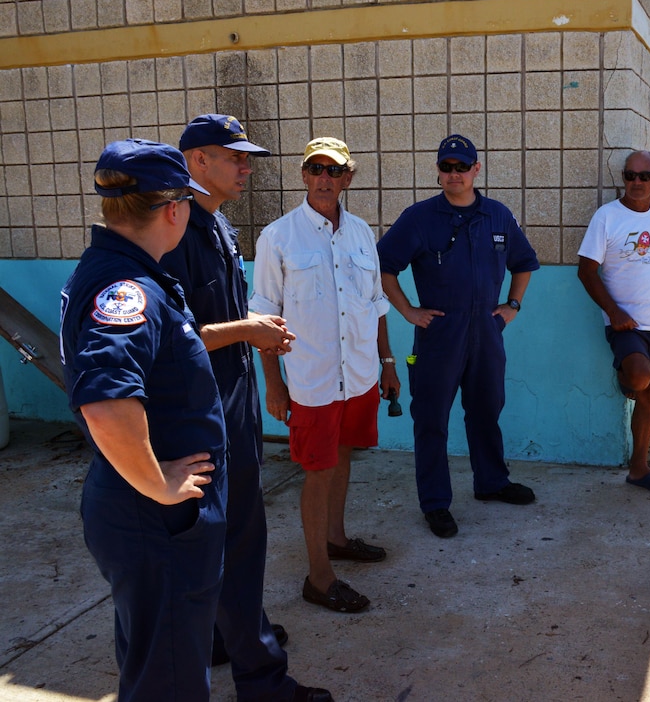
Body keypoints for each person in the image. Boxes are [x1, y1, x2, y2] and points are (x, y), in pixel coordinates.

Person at [160, 115, 332, 700]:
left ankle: (223, 635)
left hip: (232, 398)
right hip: (200, 408)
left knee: (227, 533)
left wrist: (254, 335)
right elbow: (175, 333)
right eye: (232, 157)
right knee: (236, 537)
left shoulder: (217, 226)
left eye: (246, 157)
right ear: (196, 161)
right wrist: (249, 330)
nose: (246, 167)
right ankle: (261, 677)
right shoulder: (175, 231)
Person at [59, 139, 225, 701]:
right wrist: (160, 482)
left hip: (141, 511)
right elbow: (105, 402)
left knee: (157, 664)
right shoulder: (128, 290)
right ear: (174, 208)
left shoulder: (117, 271)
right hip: (154, 516)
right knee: (170, 679)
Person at [252, 137, 399, 614]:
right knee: (317, 472)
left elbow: (376, 304)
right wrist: (273, 383)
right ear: (303, 175)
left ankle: (336, 539)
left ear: (348, 178)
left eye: (334, 171)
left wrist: (388, 363)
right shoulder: (279, 236)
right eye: (316, 169)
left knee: (343, 456)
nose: (324, 178)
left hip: (357, 375)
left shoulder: (360, 232)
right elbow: (264, 317)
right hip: (311, 378)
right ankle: (319, 576)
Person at [377, 134, 540, 539]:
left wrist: (512, 306)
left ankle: (491, 482)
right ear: (438, 171)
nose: (454, 174)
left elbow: (524, 262)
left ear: (476, 170)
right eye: (446, 167)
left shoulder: (498, 216)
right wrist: (407, 310)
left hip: (487, 331)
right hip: (439, 335)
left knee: (486, 410)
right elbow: (383, 267)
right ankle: (435, 503)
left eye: (462, 167)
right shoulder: (419, 218)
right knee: (431, 419)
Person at [576, 150, 650, 495]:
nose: (636, 182)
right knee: (640, 378)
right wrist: (614, 312)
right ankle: (625, 375)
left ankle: (639, 469)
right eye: (630, 175)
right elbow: (586, 270)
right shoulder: (607, 217)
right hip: (625, 323)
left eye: (645, 176)